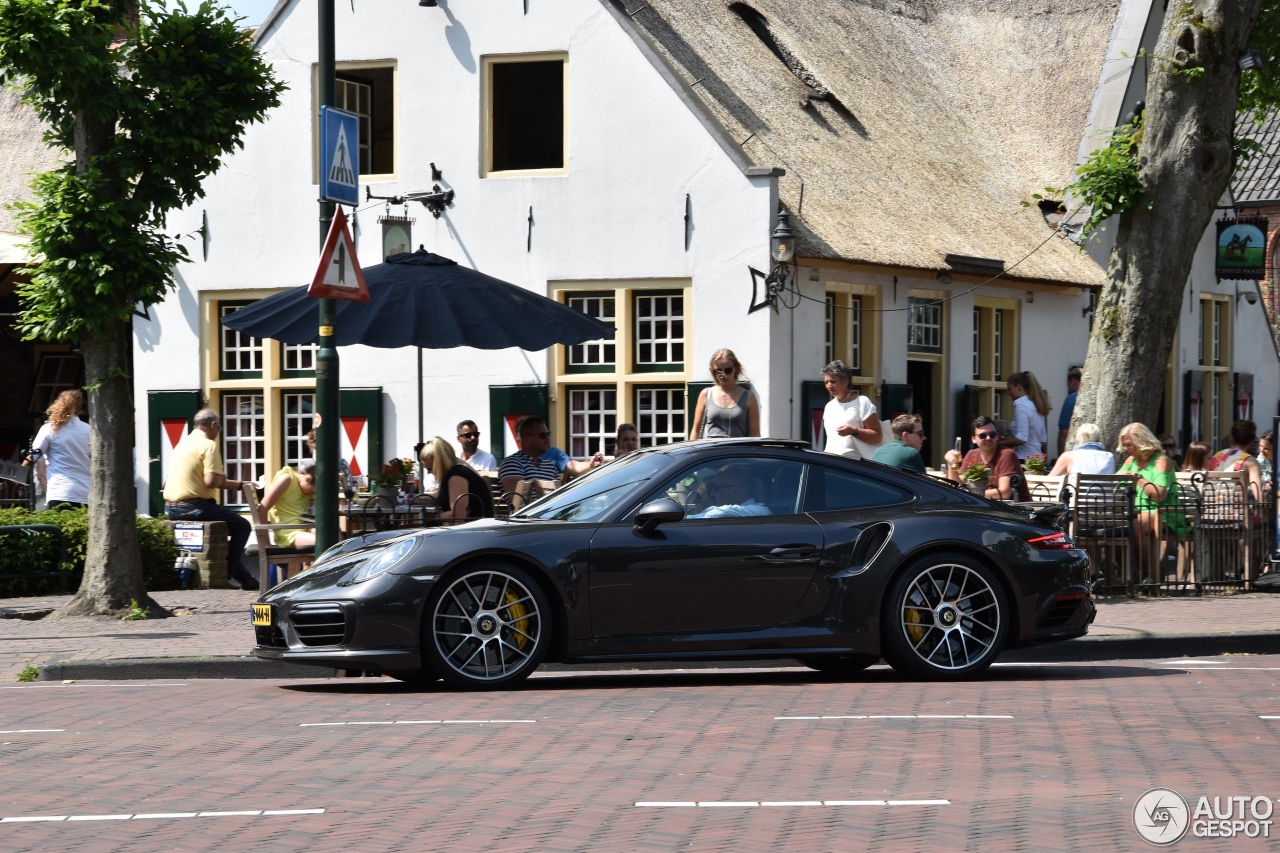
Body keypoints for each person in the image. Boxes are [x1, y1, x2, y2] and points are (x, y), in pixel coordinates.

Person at [162, 408, 257, 590]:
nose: (218, 433)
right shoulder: (208, 445)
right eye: (219, 429)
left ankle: (245, 579)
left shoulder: (182, 444)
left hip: (171, 508)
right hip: (195, 507)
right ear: (213, 425)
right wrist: (241, 485)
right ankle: (227, 573)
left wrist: (237, 484)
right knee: (243, 526)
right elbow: (212, 481)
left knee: (228, 522)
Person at [1118, 422, 1190, 575]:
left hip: (1163, 512)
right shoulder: (1131, 461)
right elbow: (1115, 481)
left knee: (1133, 525)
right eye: (1124, 445)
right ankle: (1132, 576)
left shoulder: (1161, 461)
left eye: (1129, 444)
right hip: (1139, 511)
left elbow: (1159, 495)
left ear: (1141, 441)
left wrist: (1138, 479)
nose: (1125, 449)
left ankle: (1148, 574)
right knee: (1116, 526)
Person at [499, 416, 602, 496]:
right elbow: (519, 504)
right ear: (527, 439)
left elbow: (558, 498)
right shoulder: (512, 463)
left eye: (548, 434)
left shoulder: (549, 465)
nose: (547, 439)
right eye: (543, 435)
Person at [945, 415, 1031, 501]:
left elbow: (1005, 493)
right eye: (982, 435)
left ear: (997, 436)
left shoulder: (1007, 454)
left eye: (992, 434)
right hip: (987, 508)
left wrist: (972, 495)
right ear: (973, 439)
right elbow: (957, 486)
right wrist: (950, 465)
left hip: (1017, 510)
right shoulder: (972, 455)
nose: (988, 438)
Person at [29, 389, 91, 510]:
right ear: (79, 408)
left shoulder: (49, 428)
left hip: (59, 489)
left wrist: (46, 486)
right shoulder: (88, 429)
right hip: (85, 491)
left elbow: (36, 456)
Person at [688, 348, 760, 439]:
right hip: (712, 451)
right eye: (718, 370)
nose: (723, 374)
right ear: (713, 371)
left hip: (738, 451)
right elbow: (695, 431)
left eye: (728, 370)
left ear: (736, 369)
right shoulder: (706, 394)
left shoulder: (748, 397)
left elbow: (755, 434)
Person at [420, 436, 495, 521]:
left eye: (431, 469)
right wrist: (418, 499)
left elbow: (458, 515)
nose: (431, 473)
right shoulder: (455, 467)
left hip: (475, 530)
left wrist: (432, 518)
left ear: (439, 462)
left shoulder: (457, 475)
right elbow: (442, 496)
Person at [820, 359, 882, 458]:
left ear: (846, 381)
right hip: (831, 463)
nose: (829, 386)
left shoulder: (862, 402)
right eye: (826, 382)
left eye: (833, 381)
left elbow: (877, 436)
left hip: (854, 466)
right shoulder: (829, 406)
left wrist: (854, 431)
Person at [259, 458, 317, 549]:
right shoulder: (286, 480)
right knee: (324, 542)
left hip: (304, 527)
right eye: (312, 492)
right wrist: (266, 543)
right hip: (288, 532)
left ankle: (309, 563)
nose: (312, 495)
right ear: (308, 479)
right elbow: (262, 509)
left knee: (334, 535)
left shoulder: (307, 485)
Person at [1209, 420, 1265, 501]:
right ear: (1252, 441)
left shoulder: (1216, 456)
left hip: (1213, 509)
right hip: (1236, 510)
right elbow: (1258, 495)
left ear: (1231, 437)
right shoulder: (1250, 461)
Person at [688, 464, 771, 519]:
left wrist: (683, 520)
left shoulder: (758, 511)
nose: (713, 493)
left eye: (717, 488)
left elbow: (722, 512)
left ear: (733, 491)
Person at [1003, 370, 1049, 461]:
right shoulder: (1036, 404)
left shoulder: (1021, 406)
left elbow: (1021, 439)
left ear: (1018, 387)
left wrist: (999, 443)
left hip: (1023, 458)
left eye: (1010, 389)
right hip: (1037, 459)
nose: (1009, 393)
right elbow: (1043, 439)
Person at [1048, 423, 1115, 476]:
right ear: (1098, 440)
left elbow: (1048, 483)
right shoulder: (1109, 457)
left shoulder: (1069, 457)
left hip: (1077, 493)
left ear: (1077, 440)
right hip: (1104, 493)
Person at [1056, 366, 1082, 458]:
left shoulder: (1071, 399)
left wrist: (1061, 458)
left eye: (1068, 384)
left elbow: (1064, 432)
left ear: (1073, 381)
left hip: (1074, 451)